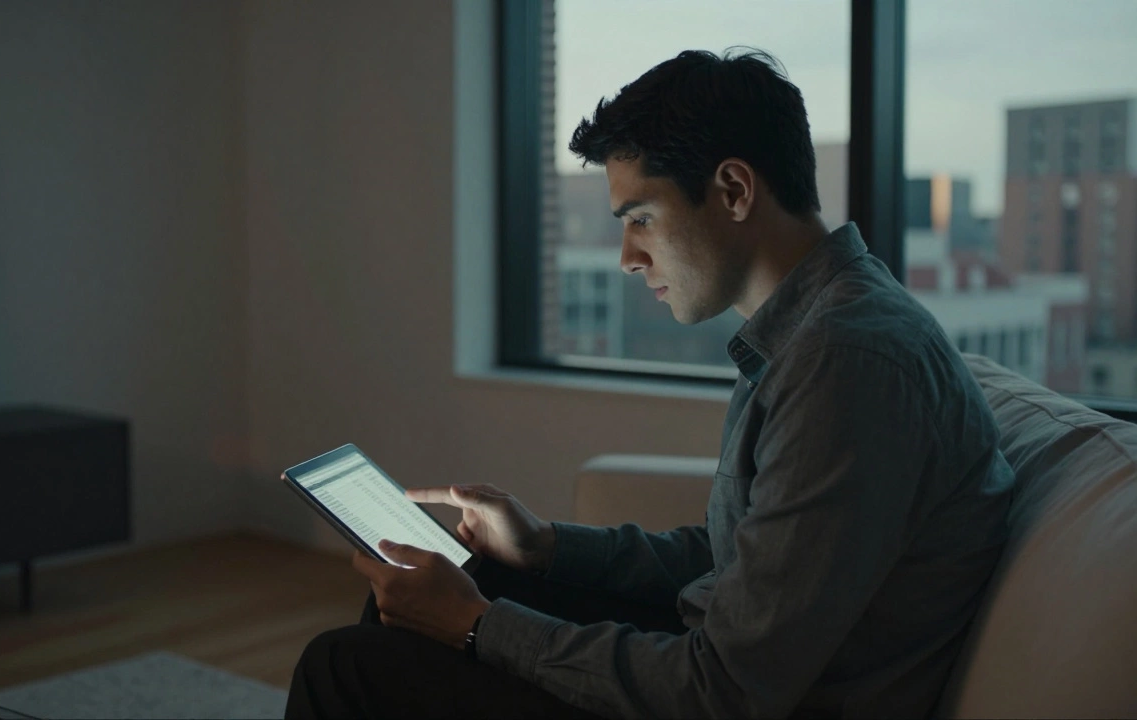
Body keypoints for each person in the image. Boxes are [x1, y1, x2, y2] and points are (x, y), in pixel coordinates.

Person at [285, 48, 1014, 719]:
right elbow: (738, 561)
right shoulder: (815, 329)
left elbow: (722, 691)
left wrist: (476, 625)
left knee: (347, 666)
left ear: (732, 189)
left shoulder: (848, 363)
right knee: (450, 580)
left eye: (640, 218)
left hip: (743, 699)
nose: (628, 257)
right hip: (735, 667)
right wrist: (545, 546)